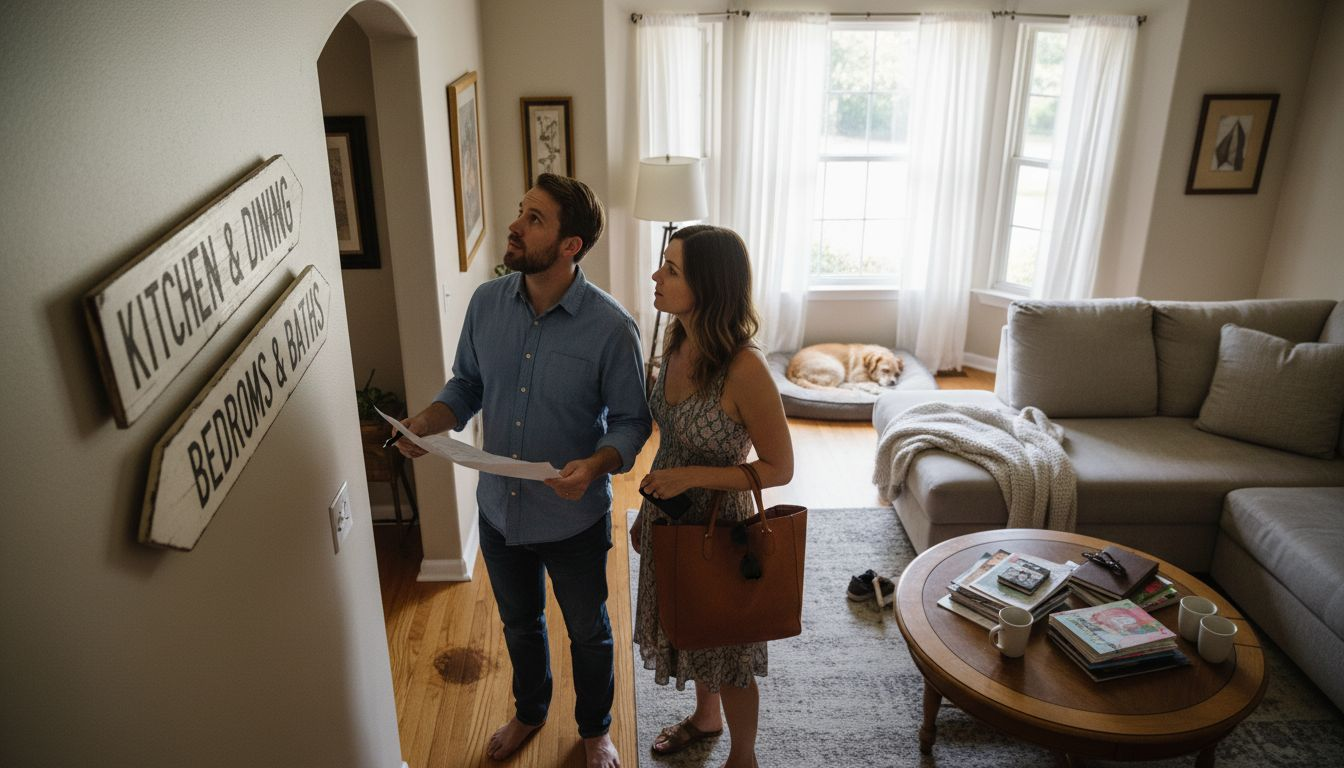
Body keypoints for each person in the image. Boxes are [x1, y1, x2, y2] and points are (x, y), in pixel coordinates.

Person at [396, 174, 651, 768]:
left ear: (570, 245)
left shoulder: (613, 328)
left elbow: (633, 422)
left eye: (534, 219)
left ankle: (595, 731)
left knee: (588, 632)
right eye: (521, 212)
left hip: (573, 519)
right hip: (498, 514)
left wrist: (595, 464)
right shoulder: (487, 304)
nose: (514, 225)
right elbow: (466, 385)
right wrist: (430, 421)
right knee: (519, 623)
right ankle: (531, 712)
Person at [631, 225, 794, 768]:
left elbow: (780, 468)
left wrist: (692, 478)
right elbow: (671, 435)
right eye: (663, 265)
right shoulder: (676, 337)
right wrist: (659, 498)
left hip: (721, 522)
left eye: (671, 270)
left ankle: (742, 757)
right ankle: (706, 719)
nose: (656, 276)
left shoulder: (745, 369)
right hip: (671, 510)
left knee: (728, 648)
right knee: (692, 626)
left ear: (709, 285)